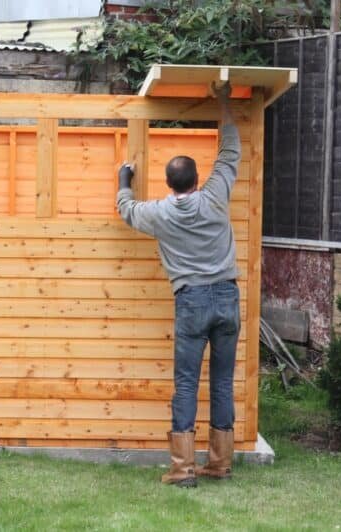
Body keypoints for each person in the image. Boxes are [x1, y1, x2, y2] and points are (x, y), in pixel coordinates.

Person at [116, 82, 241, 488]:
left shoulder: (160, 214)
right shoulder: (216, 196)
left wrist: (123, 179)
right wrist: (222, 99)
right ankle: (220, 465)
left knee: (186, 383)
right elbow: (231, 148)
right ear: (197, 178)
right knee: (221, 381)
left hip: (191, 302)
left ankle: (183, 469)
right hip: (226, 297)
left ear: (169, 184)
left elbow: (127, 210)